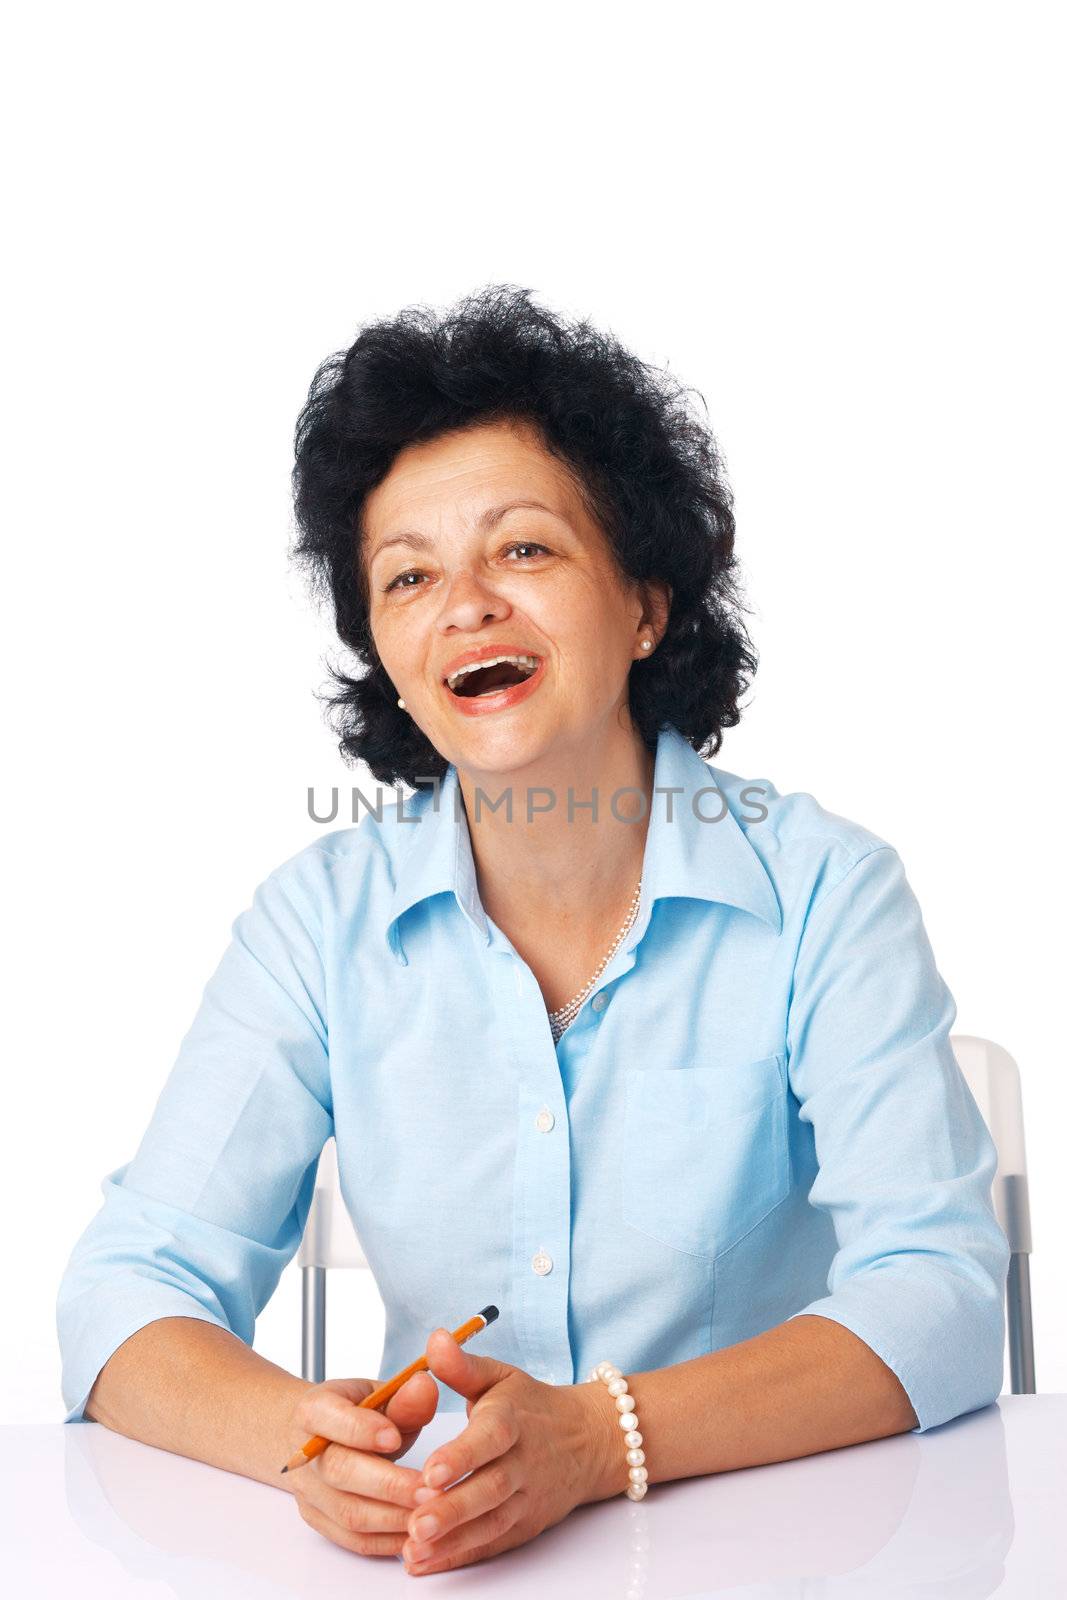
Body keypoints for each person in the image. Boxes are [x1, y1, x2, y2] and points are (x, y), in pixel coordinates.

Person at [56, 284, 1009, 1577]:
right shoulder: (316, 924)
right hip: (450, 1558)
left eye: (524, 550)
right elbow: (124, 1291)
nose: (465, 605)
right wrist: (304, 1438)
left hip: (780, 1558)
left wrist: (601, 1439)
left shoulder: (825, 892)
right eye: (409, 576)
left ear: (646, 604)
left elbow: (944, 1294)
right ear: (389, 653)